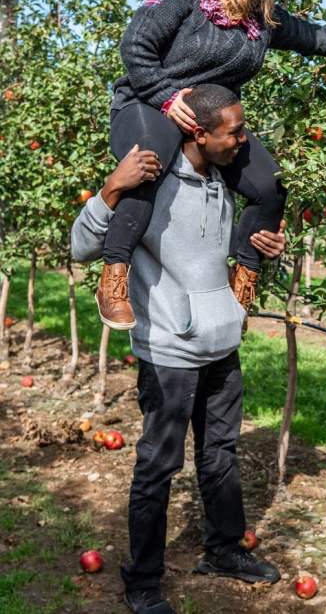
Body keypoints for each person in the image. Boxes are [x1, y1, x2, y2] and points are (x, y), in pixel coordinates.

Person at [96, 0, 326, 332]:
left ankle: (241, 279)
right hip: (147, 103)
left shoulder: (260, 15)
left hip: (211, 122)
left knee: (271, 186)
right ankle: (114, 273)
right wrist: (166, 97)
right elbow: (135, 46)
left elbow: (309, 35)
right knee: (148, 163)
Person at [71, 84, 287, 614]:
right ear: (198, 131)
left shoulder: (224, 185)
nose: (243, 140)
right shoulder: (151, 186)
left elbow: (220, 262)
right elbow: (79, 248)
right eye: (233, 131)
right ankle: (143, 581)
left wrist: (267, 253)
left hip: (222, 344)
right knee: (157, 467)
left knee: (220, 458)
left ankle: (223, 550)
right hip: (169, 352)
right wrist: (109, 191)